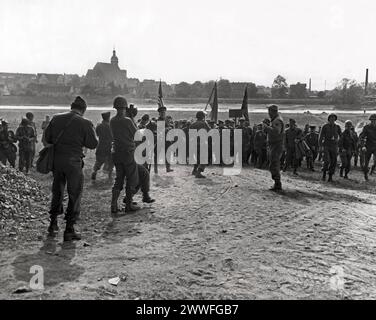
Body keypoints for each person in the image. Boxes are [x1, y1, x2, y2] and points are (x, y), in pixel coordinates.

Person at [44, 96, 98, 241]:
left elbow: (47, 139)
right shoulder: (85, 122)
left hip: (57, 162)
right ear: (83, 110)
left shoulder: (56, 118)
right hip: (73, 163)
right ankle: (69, 229)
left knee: (57, 191)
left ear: (71, 106)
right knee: (74, 193)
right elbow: (93, 144)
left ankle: (53, 224)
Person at [110, 96, 154, 214]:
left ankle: (113, 206)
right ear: (124, 107)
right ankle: (128, 205)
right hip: (128, 154)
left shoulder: (112, 120)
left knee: (119, 179)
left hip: (117, 153)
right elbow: (137, 135)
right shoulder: (127, 120)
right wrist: (131, 118)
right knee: (132, 178)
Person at [263, 105, 284, 191]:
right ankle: (277, 183)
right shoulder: (276, 120)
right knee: (273, 163)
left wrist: (266, 127)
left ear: (273, 112)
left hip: (276, 144)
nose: (268, 113)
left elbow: (276, 132)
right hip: (274, 144)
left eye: (269, 111)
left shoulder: (277, 120)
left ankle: (277, 184)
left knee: (274, 163)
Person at [318, 113, 342, 182]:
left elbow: (341, 136)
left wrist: (339, 142)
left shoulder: (337, 127)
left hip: (334, 146)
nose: (332, 119)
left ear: (335, 119)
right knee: (326, 160)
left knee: (333, 162)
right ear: (329, 119)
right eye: (331, 118)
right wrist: (320, 146)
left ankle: (330, 176)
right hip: (326, 145)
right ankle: (324, 174)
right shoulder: (325, 126)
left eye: (334, 118)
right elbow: (321, 136)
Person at [91, 112, 114, 181]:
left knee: (98, 161)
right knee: (111, 161)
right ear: (108, 118)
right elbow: (112, 136)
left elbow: (97, 134)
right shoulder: (110, 126)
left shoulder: (99, 125)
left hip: (100, 145)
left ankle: (94, 172)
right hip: (108, 146)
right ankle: (109, 175)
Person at [189, 111, 211, 178]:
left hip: (194, 144)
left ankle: (194, 170)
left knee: (198, 158)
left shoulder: (193, 124)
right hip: (202, 143)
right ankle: (198, 172)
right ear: (202, 117)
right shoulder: (204, 123)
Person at [359, 114, 376, 181]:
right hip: (368, 146)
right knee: (366, 163)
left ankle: (372, 168)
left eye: (375, 120)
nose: (374, 122)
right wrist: (363, 146)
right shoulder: (366, 127)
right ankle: (365, 175)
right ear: (370, 121)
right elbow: (361, 137)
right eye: (372, 120)